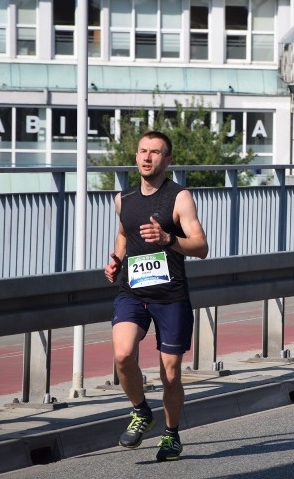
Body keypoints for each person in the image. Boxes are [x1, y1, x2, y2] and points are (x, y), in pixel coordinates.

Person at [103, 131, 209, 461]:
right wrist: (116, 260)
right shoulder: (124, 199)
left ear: (168, 160)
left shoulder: (180, 198)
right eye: (143, 151)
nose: (147, 157)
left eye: (156, 153)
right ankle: (141, 411)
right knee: (122, 355)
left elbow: (202, 247)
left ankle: (171, 434)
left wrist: (168, 239)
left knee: (171, 373)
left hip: (171, 296)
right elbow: (124, 232)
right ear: (136, 156)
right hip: (132, 293)